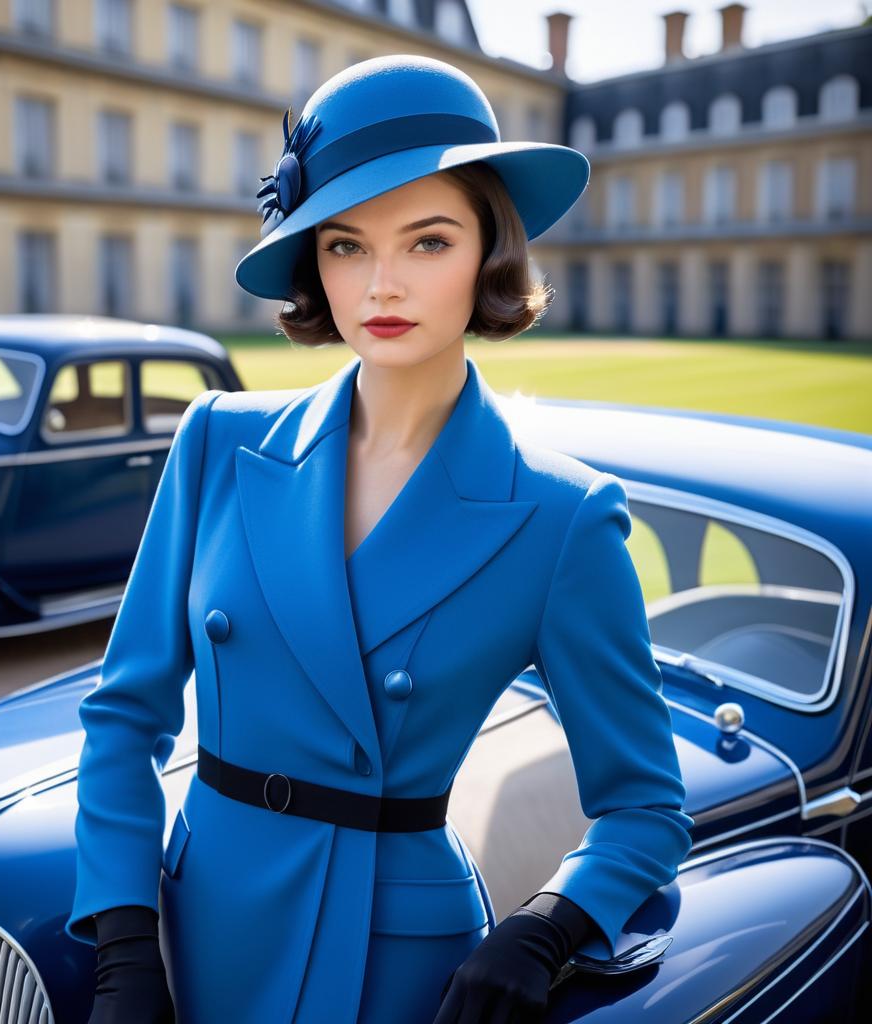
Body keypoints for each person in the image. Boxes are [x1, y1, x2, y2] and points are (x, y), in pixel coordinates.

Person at [65, 54, 695, 1024]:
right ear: (312, 260)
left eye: (427, 241)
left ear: (490, 247)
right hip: (195, 931)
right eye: (347, 245)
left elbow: (646, 804)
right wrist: (121, 941)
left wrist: (546, 923)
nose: (382, 284)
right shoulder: (219, 442)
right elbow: (123, 716)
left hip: (394, 959)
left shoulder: (562, 516)